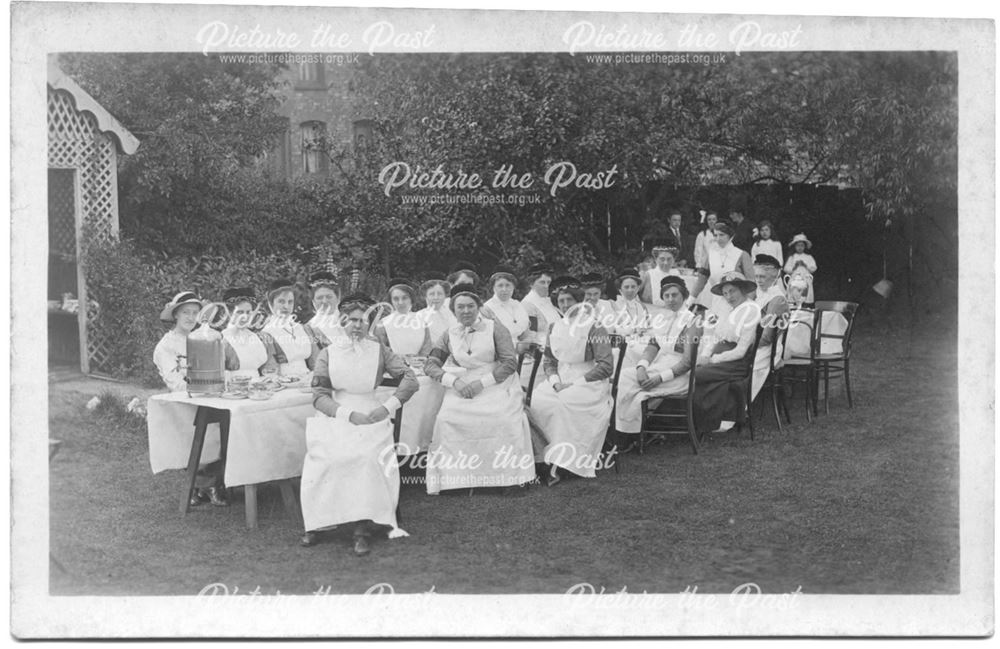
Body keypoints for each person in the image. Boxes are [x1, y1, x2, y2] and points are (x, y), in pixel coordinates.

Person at [300, 293, 419, 556]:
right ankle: (318, 522)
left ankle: (361, 527)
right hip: (337, 415)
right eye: (351, 320)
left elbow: (410, 380)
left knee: (365, 457)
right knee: (326, 457)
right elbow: (319, 397)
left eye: (363, 321)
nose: (357, 326)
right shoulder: (328, 353)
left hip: (372, 414)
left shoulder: (380, 350)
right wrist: (347, 415)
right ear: (342, 321)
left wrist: (386, 408)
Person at [422, 283, 535, 494]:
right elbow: (431, 364)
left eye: (470, 306)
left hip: (496, 382)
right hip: (462, 385)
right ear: (453, 311)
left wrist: (482, 383)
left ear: (478, 307)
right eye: (460, 307)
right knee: (446, 419)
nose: (466, 311)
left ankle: (507, 478)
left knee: (502, 418)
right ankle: (456, 480)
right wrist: (452, 381)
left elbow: (509, 363)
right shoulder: (449, 334)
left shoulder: (495, 328)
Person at [527, 277, 614, 485]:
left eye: (569, 300)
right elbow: (549, 360)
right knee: (540, 400)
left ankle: (565, 463)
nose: (565, 305)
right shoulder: (554, 327)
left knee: (564, 403)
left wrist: (576, 384)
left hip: (589, 382)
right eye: (561, 301)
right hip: (561, 379)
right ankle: (542, 459)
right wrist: (556, 382)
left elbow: (606, 366)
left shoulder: (595, 326)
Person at [153, 291, 228, 507]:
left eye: (195, 313)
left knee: (218, 430)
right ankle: (197, 484)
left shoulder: (203, 338)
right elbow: (174, 380)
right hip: (182, 399)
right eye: (185, 312)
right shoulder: (165, 346)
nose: (190, 317)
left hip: (207, 394)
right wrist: (198, 387)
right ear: (175, 315)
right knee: (195, 437)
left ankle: (212, 483)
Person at [615, 277, 702, 441]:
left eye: (674, 295)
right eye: (666, 296)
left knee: (624, 380)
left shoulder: (692, 322)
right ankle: (624, 430)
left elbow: (688, 362)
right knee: (623, 376)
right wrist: (641, 367)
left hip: (679, 376)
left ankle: (626, 435)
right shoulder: (665, 318)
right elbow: (653, 345)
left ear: (683, 296)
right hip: (661, 365)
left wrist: (659, 378)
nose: (670, 300)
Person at [373, 278, 442, 456]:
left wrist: (420, 359)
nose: (401, 302)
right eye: (396, 299)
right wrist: (402, 361)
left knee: (430, 391)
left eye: (404, 298)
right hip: (394, 372)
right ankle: (399, 450)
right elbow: (382, 351)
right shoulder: (383, 324)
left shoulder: (421, 321)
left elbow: (427, 348)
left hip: (419, 369)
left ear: (412, 300)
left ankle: (422, 446)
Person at [692, 272, 761, 434]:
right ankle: (703, 419)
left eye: (733, 291)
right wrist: (705, 355)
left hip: (736, 363)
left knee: (694, 375)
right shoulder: (728, 310)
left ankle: (702, 421)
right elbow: (715, 335)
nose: (729, 296)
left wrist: (713, 360)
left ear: (743, 290)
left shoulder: (751, 310)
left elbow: (741, 351)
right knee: (691, 369)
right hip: (721, 359)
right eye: (725, 293)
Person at [691, 221, 755, 317]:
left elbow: (751, 282)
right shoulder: (710, 254)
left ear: (730, 236)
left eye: (722, 235)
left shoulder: (742, 255)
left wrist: (748, 304)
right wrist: (691, 299)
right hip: (716, 301)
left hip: (737, 302)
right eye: (715, 235)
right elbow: (701, 280)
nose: (718, 239)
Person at [260, 278, 319, 378]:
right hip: (284, 384)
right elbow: (270, 371)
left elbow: (316, 362)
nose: (286, 307)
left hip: (307, 381)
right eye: (281, 302)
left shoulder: (303, 329)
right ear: (270, 304)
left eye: (290, 302)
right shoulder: (267, 333)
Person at [750, 255, 790, 400]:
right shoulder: (759, 295)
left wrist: (744, 343)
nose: (759, 280)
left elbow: (767, 337)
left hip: (766, 348)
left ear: (773, 278)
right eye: (756, 276)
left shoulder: (777, 299)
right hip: (753, 342)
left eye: (762, 277)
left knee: (739, 367)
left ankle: (738, 409)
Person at [220, 287, 276, 381]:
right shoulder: (221, 341)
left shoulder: (260, 338)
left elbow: (270, 368)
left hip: (259, 389)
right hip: (233, 390)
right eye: (239, 312)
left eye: (248, 312)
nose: (245, 317)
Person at [481, 265, 534, 353]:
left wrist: (525, 347)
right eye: (500, 285)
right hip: (498, 353)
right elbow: (487, 340)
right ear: (494, 288)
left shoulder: (517, 305)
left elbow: (525, 334)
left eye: (508, 285)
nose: (504, 289)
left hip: (521, 351)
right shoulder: (487, 309)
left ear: (513, 287)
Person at [519, 262, 562, 343]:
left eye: (548, 282)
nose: (546, 286)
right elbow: (530, 336)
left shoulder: (549, 301)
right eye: (542, 282)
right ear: (531, 284)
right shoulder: (528, 305)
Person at [303, 271, 342, 350]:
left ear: (338, 298)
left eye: (329, 296)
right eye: (319, 298)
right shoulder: (309, 329)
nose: (324, 301)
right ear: (313, 302)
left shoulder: (351, 321)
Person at [417, 275, 457, 343]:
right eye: (432, 294)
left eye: (440, 294)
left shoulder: (453, 314)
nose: (436, 297)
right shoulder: (419, 316)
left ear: (445, 296)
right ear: (425, 296)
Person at [785, 233, 818, 304]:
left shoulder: (808, 257)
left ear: (805, 247)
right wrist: (794, 267)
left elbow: (814, 268)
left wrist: (805, 265)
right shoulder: (792, 257)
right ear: (795, 246)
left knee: (805, 294)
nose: (800, 247)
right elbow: (786, 269)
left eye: (802, 245)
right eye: (798, 245)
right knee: (794, 293)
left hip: (805, 278)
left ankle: (805, 305)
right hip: (795, 278)